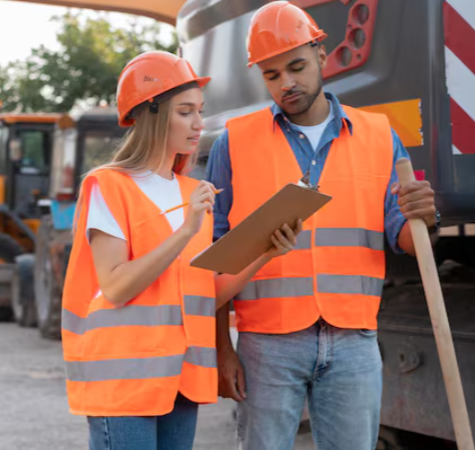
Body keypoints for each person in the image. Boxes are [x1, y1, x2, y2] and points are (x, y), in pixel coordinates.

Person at [206, 0, 439, 450]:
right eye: (272, 76)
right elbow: (214, 254)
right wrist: (222, 348)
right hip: (266, 344)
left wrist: (424, 216)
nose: (287, 84)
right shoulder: (234, 142)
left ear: (321, 53)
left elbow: (405, 237)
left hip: (353, 339)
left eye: (295, 66)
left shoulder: (379, 135)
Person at [61, 51, 303, 450]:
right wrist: (186, 229)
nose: (198, 124)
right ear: (152, 115)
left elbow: (204, 294)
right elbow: (117, 286)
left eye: (200, 111)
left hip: (182, 377)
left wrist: (266, 252)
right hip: (124, 379)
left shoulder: (193, 193)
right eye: (185, 112)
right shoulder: (108, 186)